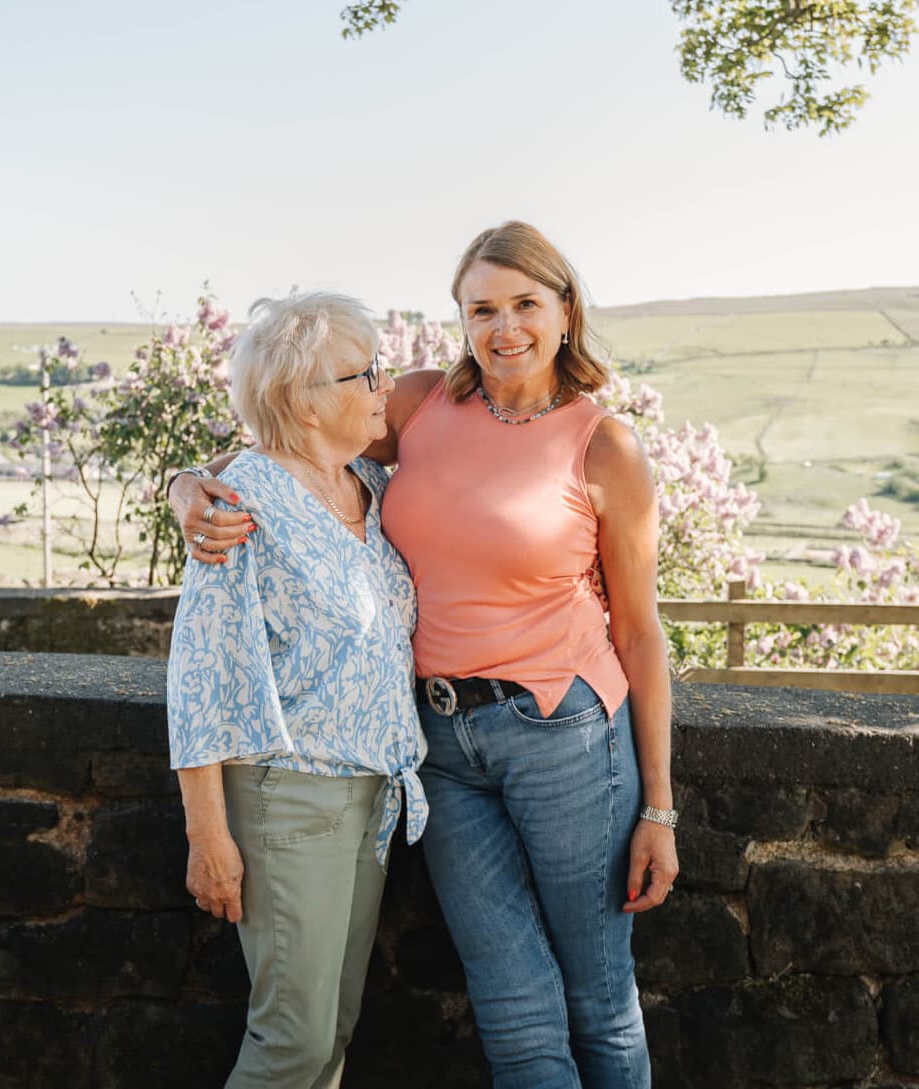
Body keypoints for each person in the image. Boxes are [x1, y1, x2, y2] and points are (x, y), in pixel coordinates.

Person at [171, 221, 679, 1089]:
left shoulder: (603, 445)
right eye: (482, 307)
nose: (504, 327)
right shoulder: (416, 403)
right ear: (460, 317)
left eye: (525, 303)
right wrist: (184, 486)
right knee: (511, 1006)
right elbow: (286, 446)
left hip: (563, 733)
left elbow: (638, 631)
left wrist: (659, 807)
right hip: (437, 747)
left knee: (596, 993)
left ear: (565, 312)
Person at [166, 292, 428, 1089]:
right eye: (366, 372)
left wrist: (178, 475)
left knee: (333, 1031)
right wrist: (208, 837)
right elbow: (200, 680)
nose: (386, 386)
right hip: (288, 797)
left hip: (368, 798)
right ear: (303, 400)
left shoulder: (368, 488)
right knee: (294, 1041)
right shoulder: (242, 503)